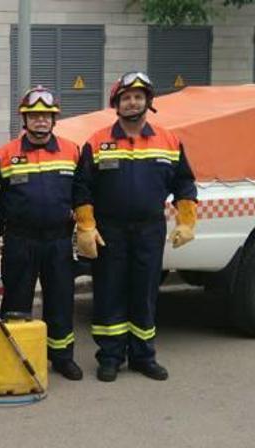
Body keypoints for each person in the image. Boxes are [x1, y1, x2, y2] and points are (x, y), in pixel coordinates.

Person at [73, 71, 197, 382]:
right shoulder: (98, 141)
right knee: (109, 292)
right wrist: (86, 226)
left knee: (144, 294)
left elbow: (185, 183)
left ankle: (143, 356)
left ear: (148, 102)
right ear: (116, 103)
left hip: (149, 229)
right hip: (110, 231)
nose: (132, 102)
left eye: (138, 97)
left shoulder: (169, 141)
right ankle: (111, 357)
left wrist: (186, 221)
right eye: (126, 98)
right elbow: (82, 188)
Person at [0, 85, 83, 381]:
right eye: (34, 116)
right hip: (19, 240)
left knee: (61, 300)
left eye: (46, 116)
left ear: (54, 120)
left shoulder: (72, 151)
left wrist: (86, 224)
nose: (40, 121)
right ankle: (16, 357)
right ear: (24, 120)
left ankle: (62, 357)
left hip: (59, 240)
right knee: (16, 301)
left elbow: (83, 192)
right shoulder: (3, 156)